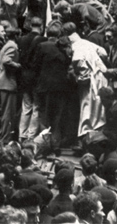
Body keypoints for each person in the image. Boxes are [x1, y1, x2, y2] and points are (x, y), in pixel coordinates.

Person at [64, 22, 107, 142]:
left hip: (90, 81)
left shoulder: (76, 47)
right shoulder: (87, 43)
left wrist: (79, 78)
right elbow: (103, 52)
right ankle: (97, 136)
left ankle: (87, 138)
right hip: (100, 76)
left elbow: (79, 63)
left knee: (87, 109)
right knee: (98, 109)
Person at [33, 25, 72, 153]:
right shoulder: (64, 51)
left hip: (44, 88)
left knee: (44, 116)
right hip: (60, 88)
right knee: (57, 117)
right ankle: (56, 146)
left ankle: (45, 145)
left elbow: (36, 66)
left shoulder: (43, 46)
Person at [0, 26, 21, 145]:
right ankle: (5, 139)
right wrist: (18, 65)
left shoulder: (5, 45)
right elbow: (6, 61)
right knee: (8, 113)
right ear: (17, 36)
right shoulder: (12, 46)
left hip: (0, 82)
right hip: (8, 83)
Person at [18, 17, 44, 142]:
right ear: (41, 26)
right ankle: (31, 135)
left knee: (26, 106)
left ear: (29, 25)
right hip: (36, 77)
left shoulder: (22, 39)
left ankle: (21, 134)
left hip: (24, 76)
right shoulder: (41, 40)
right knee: (36, 107)